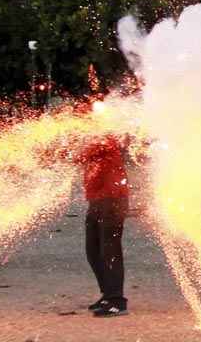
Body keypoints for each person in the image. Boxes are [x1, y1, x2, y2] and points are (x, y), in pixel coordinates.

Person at [78, 133, 130, 317]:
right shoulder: (94, 133)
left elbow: (82, 153)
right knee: (93, 250)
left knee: (109, 250)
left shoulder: (105, 136)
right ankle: (107, 294)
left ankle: (117, 300)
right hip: (97, 200)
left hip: (113, 199)